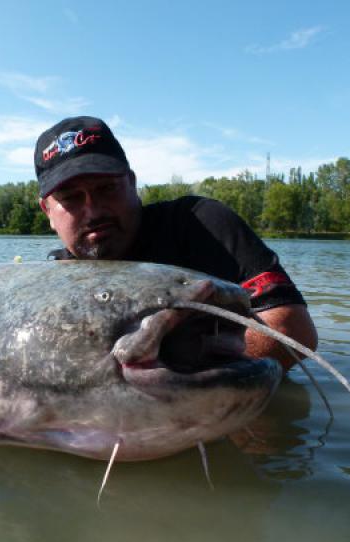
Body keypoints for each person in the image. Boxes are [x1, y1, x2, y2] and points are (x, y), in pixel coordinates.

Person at [35, 116, 317, 370]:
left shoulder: (200, 225)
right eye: (71, 197)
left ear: (132, 184)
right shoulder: (52, 282)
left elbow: (293, 329)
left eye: (106, 189)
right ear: (47, 211)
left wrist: (176, 362)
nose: (94, 210)